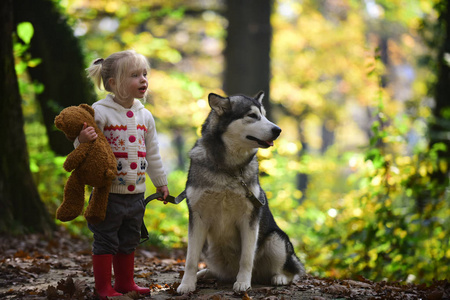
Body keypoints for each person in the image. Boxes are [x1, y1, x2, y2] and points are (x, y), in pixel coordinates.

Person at [78, 50, 169, 299]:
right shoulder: (100, 112)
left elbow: (153, 155)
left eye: (144, 74)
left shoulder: (145, 116)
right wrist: (81, 140)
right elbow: (85, 150)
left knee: (129, 239)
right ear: (113, 83)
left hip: (136, 195)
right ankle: (103, 287)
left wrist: (161, 184)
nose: (143, 80)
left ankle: (125, 283)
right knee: (106, 239)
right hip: (107, 194)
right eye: (134, 75)